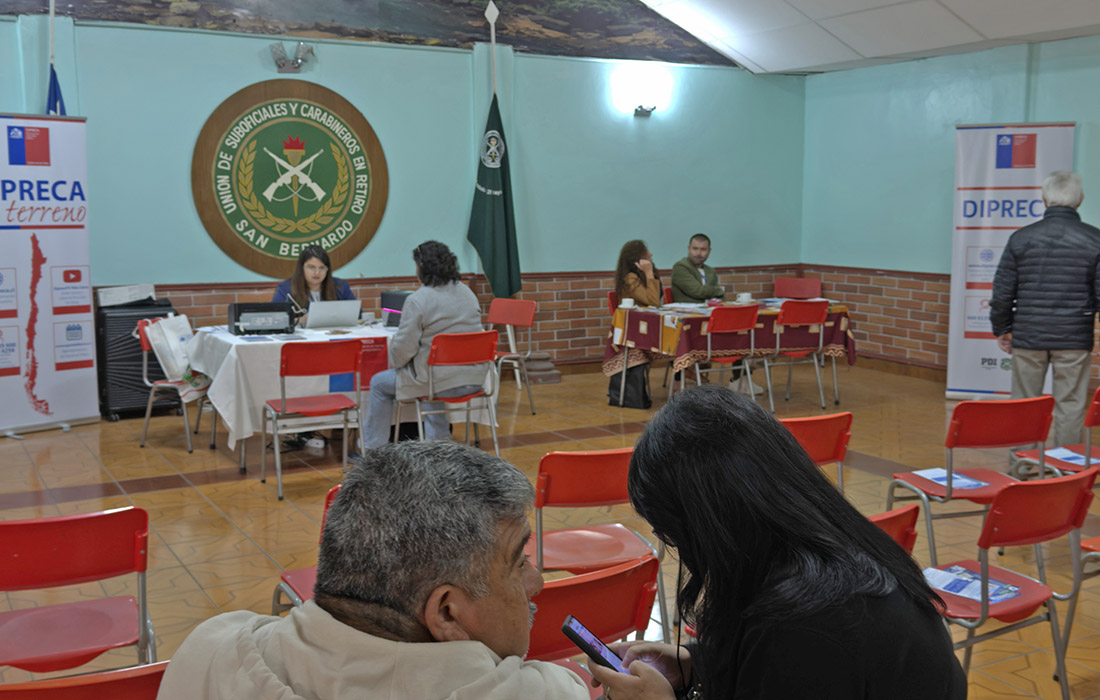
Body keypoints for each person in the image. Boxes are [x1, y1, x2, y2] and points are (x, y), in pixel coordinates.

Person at [589, 386, 967, 700]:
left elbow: (799, 664)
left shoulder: (803, 625)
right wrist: (697, 664)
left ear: (712, 524)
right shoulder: (832, 552)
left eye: (671, 533)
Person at [156, 441, 589, 700]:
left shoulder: (209, 650)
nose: (536, 582)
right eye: (518, 561)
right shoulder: (545, 693)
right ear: (446, 613)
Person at [991, 170, 1100, 449]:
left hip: (1028, 336)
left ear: (1044, 199)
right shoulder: (1095, 239)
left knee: (1024, 403)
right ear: (1080, 200)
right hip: (1074, 338)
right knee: (1071, 404)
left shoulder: (1020, 238)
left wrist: (1002, 328)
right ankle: (1066, 466)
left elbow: (1003, 292)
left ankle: (1021, 465)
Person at [359, 241, 485, 449]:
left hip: (437, 382)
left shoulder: (418, 300)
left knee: (379, 383)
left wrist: (400, 364)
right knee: (430, 370)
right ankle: (439, 441)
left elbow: (402, 351)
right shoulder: (468, 294)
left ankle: (373, 449)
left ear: (421, 268)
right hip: (474, 379)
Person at [271, 244, 355, 313]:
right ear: (301, 268)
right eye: (311, 267)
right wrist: (300, 321)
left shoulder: (340, 287)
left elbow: (356, 314)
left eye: (321, 268)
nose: (317, 272)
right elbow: (275, 318)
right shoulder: (285, 289)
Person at [670, 233, 725, 303]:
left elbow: (719, 297)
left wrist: (719, 296)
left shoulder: (711, 271)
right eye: (695, 248)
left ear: (709, 251)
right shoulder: (680, 267)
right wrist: (719, 290)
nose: (698, 253)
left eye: (703, 249)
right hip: (688, 309)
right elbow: (697, 291)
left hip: (711, 308)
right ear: (689, 249)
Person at [614, 239, 662, 307]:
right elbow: (654, 302)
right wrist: (649, 273)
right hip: (636, 314)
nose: (651, 254)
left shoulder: (642, 275)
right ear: (637, 257)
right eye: (645, 252)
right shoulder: (630, 278)